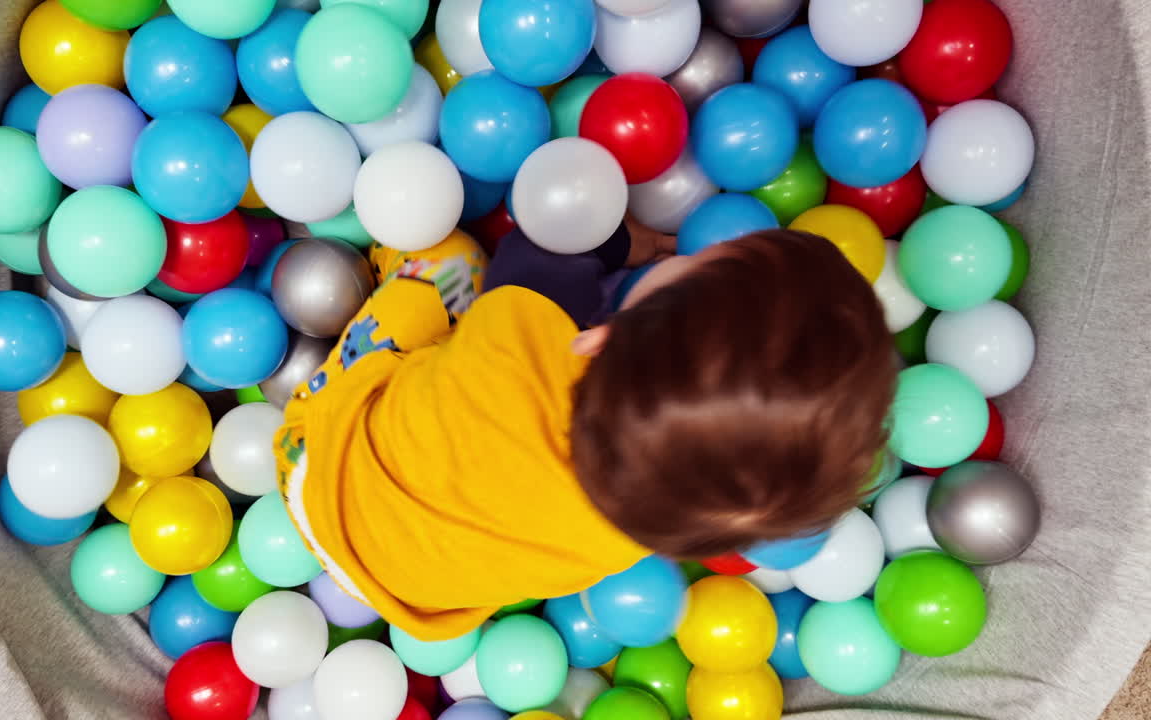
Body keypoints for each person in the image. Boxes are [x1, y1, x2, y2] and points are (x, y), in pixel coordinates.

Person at [273, 219, 896, 641]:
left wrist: (622, 242)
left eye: (691, 262)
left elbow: (545, 242)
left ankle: (390, 266)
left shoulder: (530, 324)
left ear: (597, 338)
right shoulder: (644, 526)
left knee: (452, 258)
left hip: (317, 464)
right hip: (413, 598)